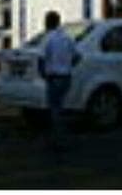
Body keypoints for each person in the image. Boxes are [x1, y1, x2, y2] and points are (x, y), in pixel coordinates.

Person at [39, 10, 76, 151]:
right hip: (66, 77)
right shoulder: (67, 38)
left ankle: (57, 139)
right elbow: (77, 56)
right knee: (60, 107)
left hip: (53, 77)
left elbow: (41, 58)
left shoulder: (48, 38)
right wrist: (67, 66)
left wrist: (43, 73)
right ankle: (60, 137)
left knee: (54, 109)